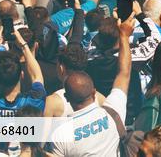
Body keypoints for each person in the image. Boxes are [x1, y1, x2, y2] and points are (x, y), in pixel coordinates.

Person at [45, 15, 135, 156]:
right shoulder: (112, 112)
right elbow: (124, 73)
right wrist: (123, 36)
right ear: (93, 92)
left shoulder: (61, 134)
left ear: (67, 98)